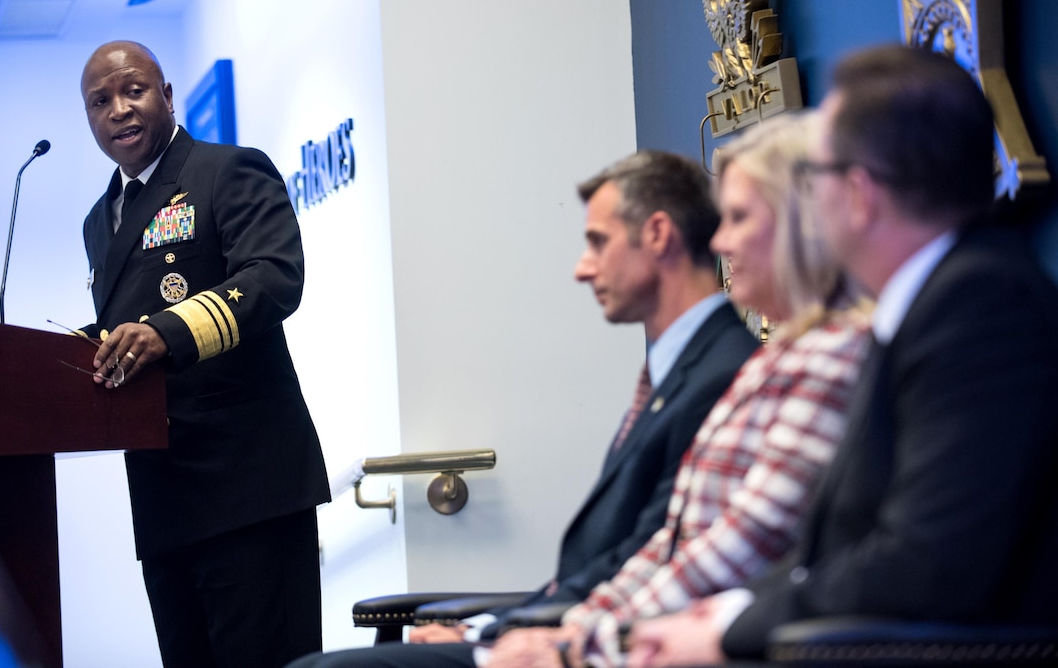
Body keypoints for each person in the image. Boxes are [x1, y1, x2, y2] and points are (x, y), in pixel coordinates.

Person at [624, 44, 1058, 667]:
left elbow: (927, 563)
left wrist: (730, 630)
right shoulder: (940, 299)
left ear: (857, 194)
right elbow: (842, 550)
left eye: (813, 177)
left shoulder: (980, 307)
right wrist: (727, 611)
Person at [286, 151, 758, 668]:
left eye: (598, 243)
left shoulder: (724, 372)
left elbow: (650, 555)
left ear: (658, 235)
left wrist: (505, 632)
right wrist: (486, 626)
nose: (583, 268)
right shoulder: (681, 366)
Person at [486, 111, 872, 668]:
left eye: (738, 217)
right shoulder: (778, 358)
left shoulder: (831, 354)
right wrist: (574, 631)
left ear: (797, 221)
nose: (719, 239)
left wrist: (578, 647)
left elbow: (743, 541)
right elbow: (672, 544)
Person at [78, 40, 331, 668]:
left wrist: (169, 330)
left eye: (133, 90)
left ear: (166, 97)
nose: (119, 109)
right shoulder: (98, 218)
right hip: (163, 494)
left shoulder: (228, 169)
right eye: (100, 101)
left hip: (248, 487)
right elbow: (129, 318)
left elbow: (274, 277)